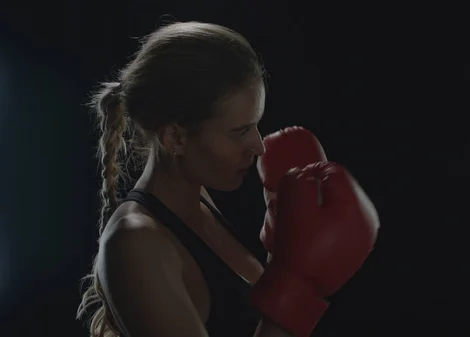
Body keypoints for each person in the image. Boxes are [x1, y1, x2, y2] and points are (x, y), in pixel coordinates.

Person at [77, 21, 379, 337]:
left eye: (255, 125)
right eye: (240, 132)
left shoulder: (197, 200)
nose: (260, 146)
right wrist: (297, 288)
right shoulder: (137, 244)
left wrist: (284, 248)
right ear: (174, 138)